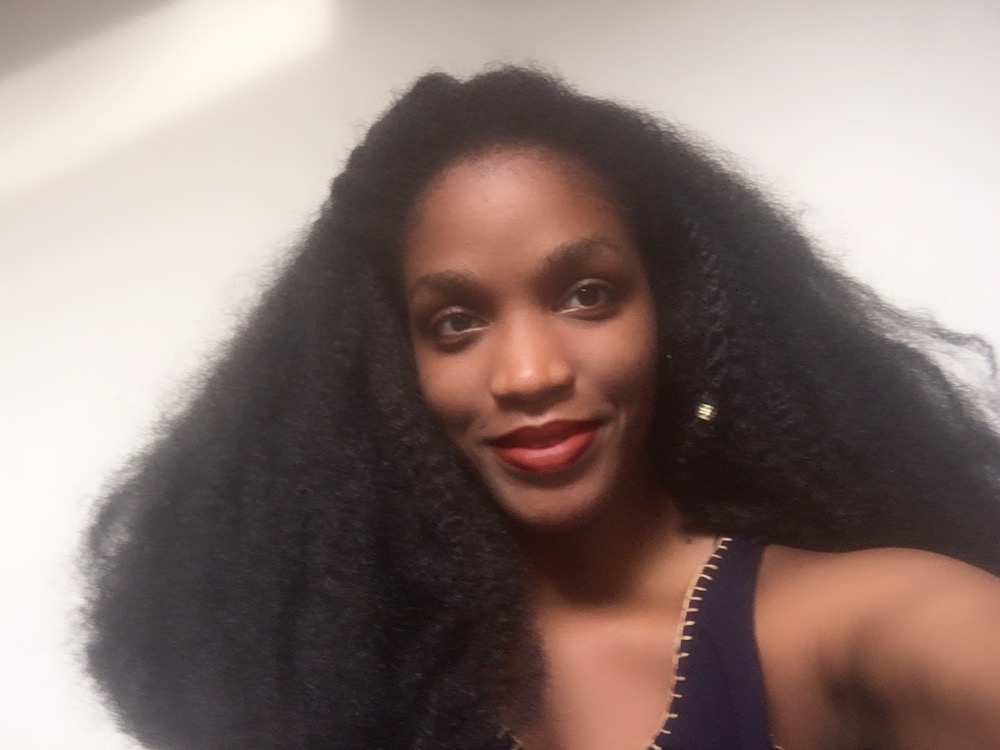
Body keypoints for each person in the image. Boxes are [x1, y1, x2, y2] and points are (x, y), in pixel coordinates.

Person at [82, 67, 1000, 750]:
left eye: (587, 295)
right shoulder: (358, 681)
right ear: (388, 369)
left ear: (674, 315)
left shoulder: (847, 623)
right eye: (455, 322)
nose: (528, 373)